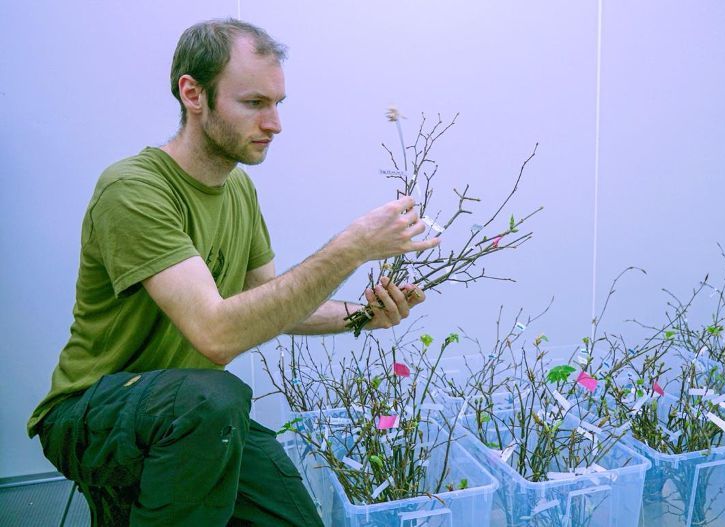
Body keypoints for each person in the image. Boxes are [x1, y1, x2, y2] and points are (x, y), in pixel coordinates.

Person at [27, 18, 438, 526]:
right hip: (89, 414)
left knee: (292, 515)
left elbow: (268, 302)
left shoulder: (239, 190)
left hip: (187, 416)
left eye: (277, 104)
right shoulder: (132, 190)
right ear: (193, 94)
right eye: (254, 104)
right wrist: (352, 248)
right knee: (216, 396)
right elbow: (217, 334)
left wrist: (362, 316)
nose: (275, 124)